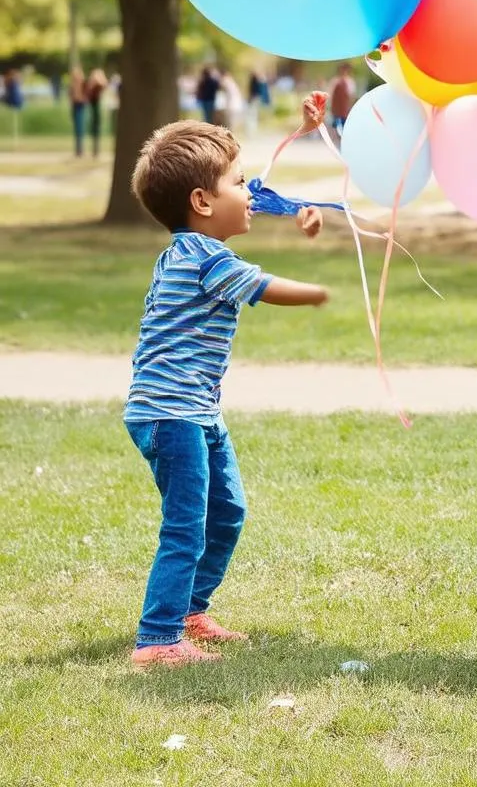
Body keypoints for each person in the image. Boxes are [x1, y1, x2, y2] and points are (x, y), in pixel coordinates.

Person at [124, 97, 329, 668]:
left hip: (191, 409)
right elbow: (263, 286)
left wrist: (302, 149)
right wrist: (321, 292)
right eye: (237, 182)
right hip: (172, 412)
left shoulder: (191, 244)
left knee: (228, 508)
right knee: (187, 522)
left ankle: (190, 611)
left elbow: (262, 194)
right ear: (201, 202)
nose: (251, 193)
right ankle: (158, 639)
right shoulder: (206, 258)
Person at [326, 62, 357, 147]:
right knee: (336, 128)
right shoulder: (335, 81)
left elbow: (352, 97)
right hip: (336, 110)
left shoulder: (350, 82)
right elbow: (331, 95)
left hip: (346, 111)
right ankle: (338, 145)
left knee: (344, 128)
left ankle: (343, 144)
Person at [84, 68, 107, 157]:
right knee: (94, 130)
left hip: (96, 110)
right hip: (93, 109)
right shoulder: (93, 87)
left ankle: (96, 150)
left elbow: (103, 84)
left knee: (96, 129)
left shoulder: (98, 86)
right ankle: (95, 150)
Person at [69, 66, 88, 157]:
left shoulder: (82, 84)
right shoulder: (73, 86)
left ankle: (80, 150)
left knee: (80, 129)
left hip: (80, 107)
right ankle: (78, 150)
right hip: (76, 107)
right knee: (77, 130)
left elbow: (84, 97)